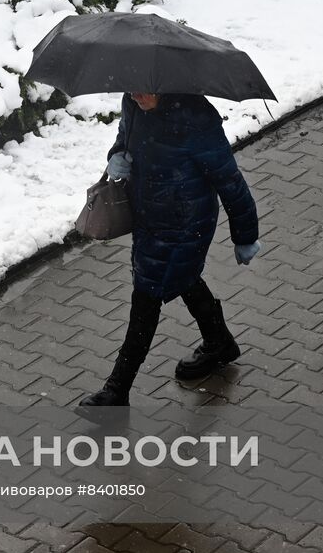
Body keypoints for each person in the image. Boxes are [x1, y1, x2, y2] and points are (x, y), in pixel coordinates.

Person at [78, 92, 261, 409]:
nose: (136, 95)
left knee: (146, 298)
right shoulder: (133, 103)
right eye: (131, 88)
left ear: (165, 85)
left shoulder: (196, 119)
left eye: (143, 90)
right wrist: (117, 155)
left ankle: (117, 389)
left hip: (186, 223)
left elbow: (229, 179)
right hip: (148, 216)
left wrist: (245, 235)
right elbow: (125, 138)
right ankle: (220, 343)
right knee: (183, 278)